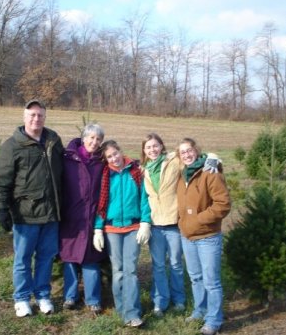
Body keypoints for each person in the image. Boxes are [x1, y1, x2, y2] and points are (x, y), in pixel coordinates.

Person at [0, 99, 63, 318]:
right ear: (24, 117)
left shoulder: (53, 141)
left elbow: (64, 172)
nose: (36, 119)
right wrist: (2, 208)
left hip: (51, 213)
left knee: (46, 256)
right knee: (23, 258)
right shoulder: (12, 146)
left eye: (40, 115)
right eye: (32, 115)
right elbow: (2, 181)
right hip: (25, 214)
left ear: (45, 117)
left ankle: (43, 295)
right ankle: (22, 298)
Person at [93, 140, 151, 328]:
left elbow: (144, 198)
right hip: (112, 229)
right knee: (117, 271)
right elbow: (101, 205)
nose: (114, 158)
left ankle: (132, 313)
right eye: (109, 157)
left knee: (131, 270)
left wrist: (145, 222)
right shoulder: (105, 175)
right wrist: (98, 229)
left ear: (120, 151)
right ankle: (122, 308)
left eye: (115, 154)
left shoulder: (135, 171)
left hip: (133, 228)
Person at [176, 138, 231, 335]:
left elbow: (223, 204)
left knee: (211, 281)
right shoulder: (182, 175)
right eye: (182, 152)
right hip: (187, 237)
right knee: (196, 278)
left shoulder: (210, 172)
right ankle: (199, 310)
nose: (187, 155)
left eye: (189, 150)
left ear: (197, 151)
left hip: (208, 236)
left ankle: (214, 320)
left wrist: (198, 220)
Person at [59, 123, 107, 314]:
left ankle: (93, 299)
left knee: (90, 259)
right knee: (69, 259)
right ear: (83, 137)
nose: (94, 142)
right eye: (91, 138)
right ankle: (70, 297)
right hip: (70, 215)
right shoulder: (68, 158)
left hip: (92, 218)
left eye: (98, 139)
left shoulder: (102, 161)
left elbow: (124, 161)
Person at [141, 133, 186, 317]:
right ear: (144, 150)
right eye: (148, 147)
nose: (152, 150)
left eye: (155, 146)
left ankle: (179, 299)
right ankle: (160, 301)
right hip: (155, 224)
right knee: (158, 265)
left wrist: (211, 160)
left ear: (161, 146)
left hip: (173, 222)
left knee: (176, 263)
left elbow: (193, 157)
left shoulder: (173, 161)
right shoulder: (143, 170)